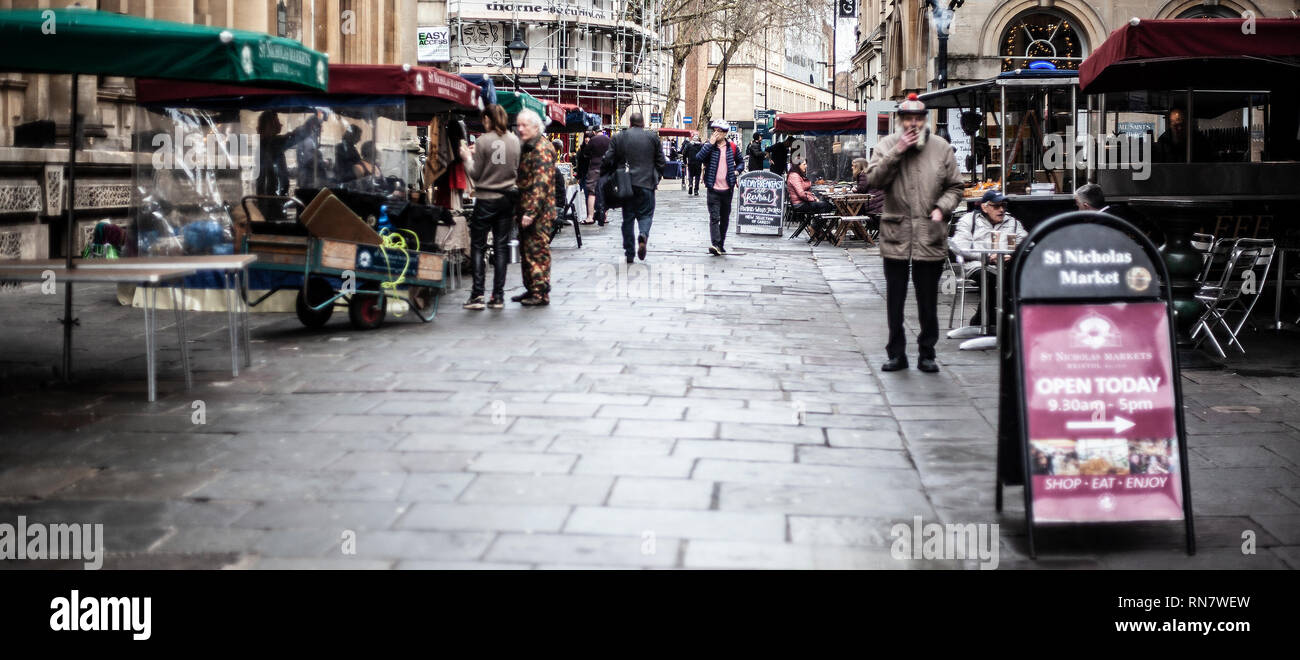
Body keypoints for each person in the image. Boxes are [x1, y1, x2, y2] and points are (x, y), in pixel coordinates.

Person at [866, 93, 964, 374]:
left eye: (918, 119)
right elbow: (874, 180)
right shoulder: (885, 145)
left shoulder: (941, 148)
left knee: (928, 300)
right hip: (896, 232)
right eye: (907, 118)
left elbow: (956, 187)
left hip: (929, 232)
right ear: (899, 121)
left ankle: (927, 353)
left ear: (925, 121)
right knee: (895, 299)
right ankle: (896, 353)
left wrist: (941, 209)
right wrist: (897, 151)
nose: (912, 124)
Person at [459, 103, 520, 310]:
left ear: (488, 119)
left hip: (486, 197)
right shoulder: (514, 140)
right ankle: (498, 296)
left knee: (478, 245)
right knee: (501, 246)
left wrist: (467, 158)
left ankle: (477, 295)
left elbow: (475, 174)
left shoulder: (483, 141)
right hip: (507, 199)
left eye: (484, 119)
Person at [949, 190, 1027, 327]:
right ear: (984, 207)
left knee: (1017, 279)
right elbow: (959, 246)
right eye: (996, 206)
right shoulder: (969, 221)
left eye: (1003, 205)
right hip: (976, 265)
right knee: (992, 280)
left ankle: (989, 321)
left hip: (1005, 265)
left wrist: (1012, 255)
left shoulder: (1012, 222)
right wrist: (988, 257)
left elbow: (1026, 241)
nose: (1001, 209)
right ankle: (986, 321)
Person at [600, 112, 666, 264]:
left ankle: (629, 252)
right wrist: (656, 177)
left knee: (628, 218)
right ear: (643, 123)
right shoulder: (652, 137)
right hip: (647, 184)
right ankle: (643, 235)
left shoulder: (619, 137)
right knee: (646, 215)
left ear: (630, 123)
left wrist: (607, 175)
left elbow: (607, 159)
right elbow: (661, 161)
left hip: (626, 184)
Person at [514, 108, 557, 306]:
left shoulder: (541, 148)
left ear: (535, 127)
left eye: (524, 126)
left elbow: (541, 183)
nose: (520, 129)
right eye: (518, 125)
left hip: (539, 212)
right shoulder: (528, 146)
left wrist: (530, 212)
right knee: (526, 250)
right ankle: (531, 288)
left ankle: (540, 292)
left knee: (537, 249)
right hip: (525, 207)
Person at [254, 110, 322, 219]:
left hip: (269, 201)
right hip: (271, 202)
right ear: (269, 125)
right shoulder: (272, 143)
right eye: (277, 121)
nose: (281, 124)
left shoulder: (265, 144)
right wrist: (314, 119)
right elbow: (294, 137)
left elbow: (277, 170)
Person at [694, 119, 744, 256]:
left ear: (725, 133)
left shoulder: (732, 147)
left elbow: (741, 162)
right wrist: (709, 144)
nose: (716, 133)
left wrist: (737, 171)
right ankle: (715, 244)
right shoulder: (709, 146)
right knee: (714, 217)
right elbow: (698, 158)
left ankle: (721, 244)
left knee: (725, 218)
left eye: (719, 131)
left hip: (727, 189)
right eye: (714, 130)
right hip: (713, 188)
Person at [584, 128, 612, 225]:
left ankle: (590, 217)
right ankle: (604, 217)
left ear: (595, 132)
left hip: (594, 168)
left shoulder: (593, 140)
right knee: (605, 192)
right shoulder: (609, 140)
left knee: (592, 192)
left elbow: (585, 153)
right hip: (606, 169)